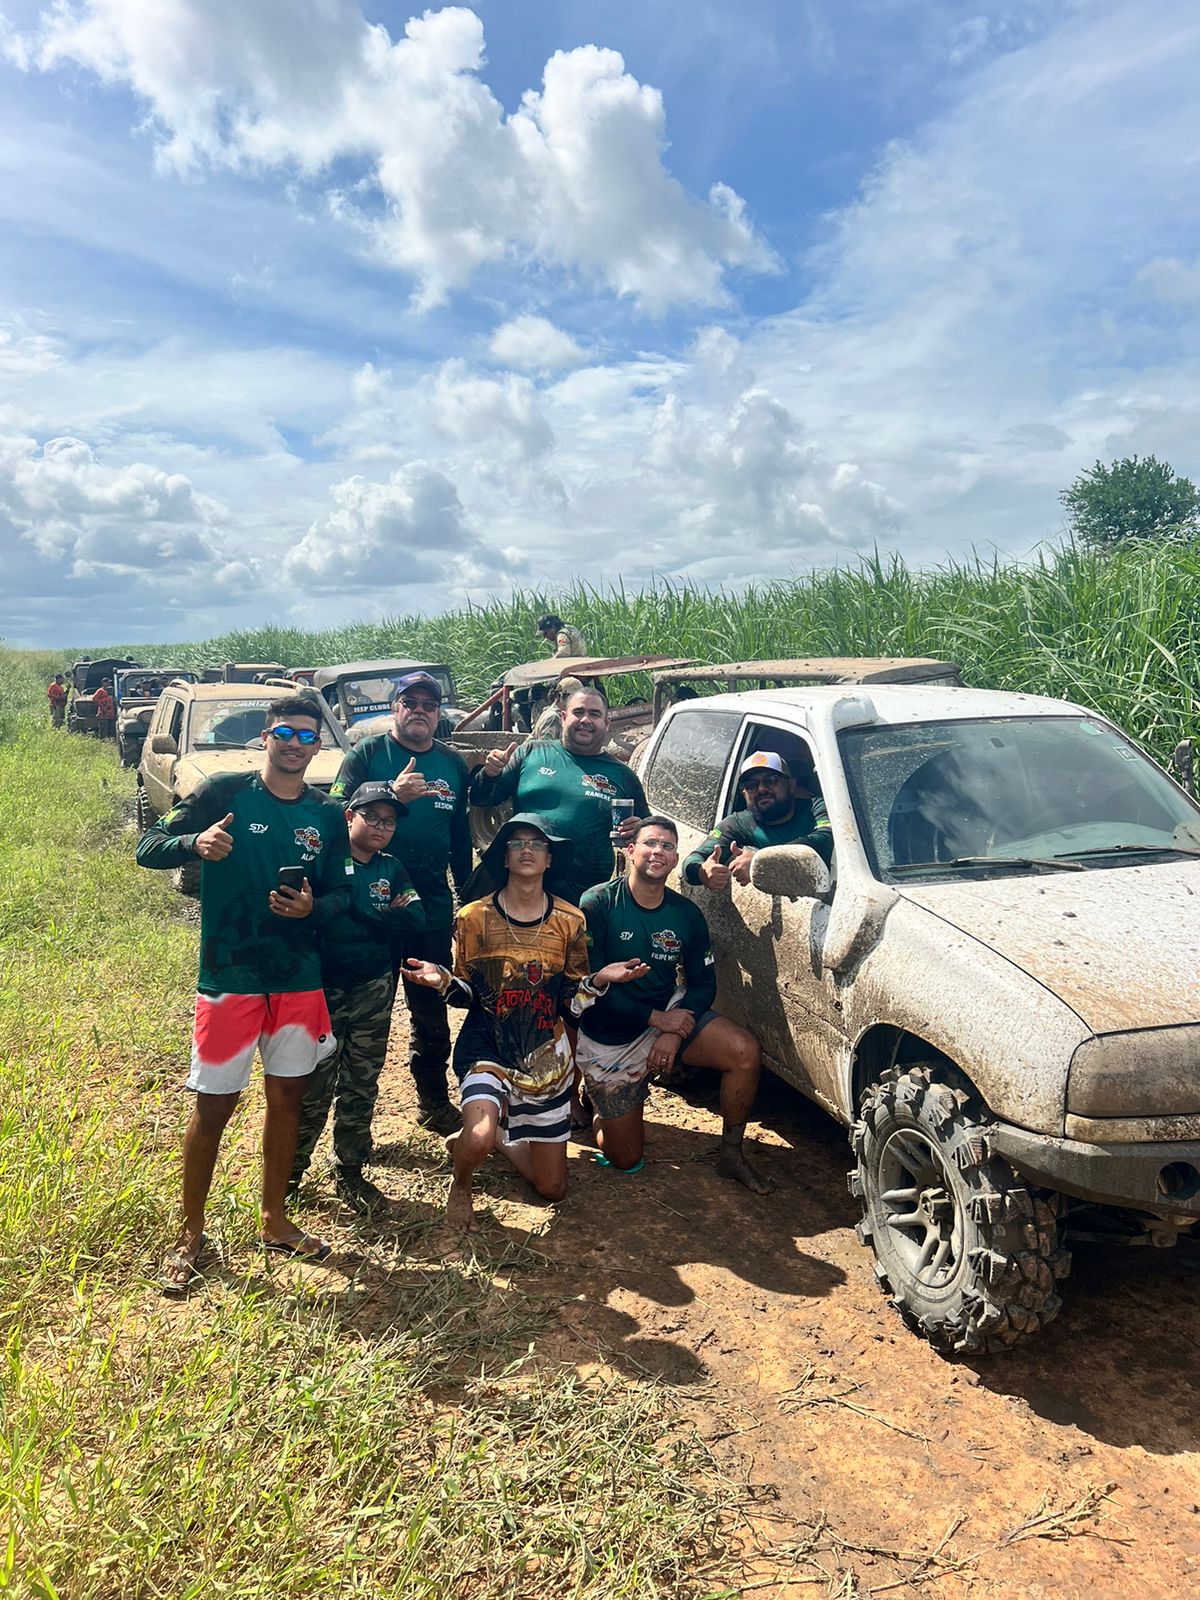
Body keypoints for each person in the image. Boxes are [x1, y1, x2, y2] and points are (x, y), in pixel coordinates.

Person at [135, 695, 353, 1293]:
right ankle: (190, 1234)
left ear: (318, 745)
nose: (294, 744)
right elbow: (147, 846)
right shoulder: (224, 793)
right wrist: (195, 844)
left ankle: (274, 1219)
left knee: (287, 1101)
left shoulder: (327, 814)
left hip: (298, 980)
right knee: (213, 1107)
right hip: (229, 977)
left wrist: (313, 908)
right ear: (265, 736)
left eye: (306, 736)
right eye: (285, 732)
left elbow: (343, 894)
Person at [403, 814, 647, 1233]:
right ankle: (462, 1183)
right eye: (516, 843)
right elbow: (469, 995)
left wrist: (599, 981)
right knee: (478, 1135)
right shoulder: (473, 918)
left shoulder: (570, 921)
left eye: (537, 844)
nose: (527, 850)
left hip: (545, 1058)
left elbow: (569, 1001)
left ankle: (502, 1138)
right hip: (487, 1047)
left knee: (552, 1188)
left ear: (550, 859)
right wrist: (441, 980)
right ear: (504, 857)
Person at [577, 815, 772, 1193]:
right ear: (630, 850)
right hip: (611, 1034)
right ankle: (602, 1107)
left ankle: (731, 1153)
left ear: (676, 858)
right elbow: (591, 990)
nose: (658, 852)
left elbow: (703, 984)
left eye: (667, 846)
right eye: (650, 843)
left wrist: (673, 1030)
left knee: (744, 1051)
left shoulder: (686, 914)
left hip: (666, 1015)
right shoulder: (598, 902)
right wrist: (657, 1020)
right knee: (626, 1158)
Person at [330, 670, 472, 1135]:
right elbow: (332, 811)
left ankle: (433, 1101)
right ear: (395, 708)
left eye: (429, 705)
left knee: (431, 1012)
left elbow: (459, 837)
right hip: (366, 908)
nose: (420, 711)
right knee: (360, 1017)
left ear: (438, 714)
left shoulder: (452, 763)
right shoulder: (367, 753)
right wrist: (391, 792)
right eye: (410, 703)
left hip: (428, 909)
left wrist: (466, 896)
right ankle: (350, 1122)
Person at [291, 782, 426, 1213]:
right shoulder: (326, 862)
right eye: (372, 817)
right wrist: (384, 915)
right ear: (349, 816)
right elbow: (320, 918)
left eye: (390, 821)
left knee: (361, 1081)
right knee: (314, 1086)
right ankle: (290, 1174)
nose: (382, 827)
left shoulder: (392, 868)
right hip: (322, 990)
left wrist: (359, 912)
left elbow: (417, 916)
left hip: (374, 988)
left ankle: (350, 1167)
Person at [469, 687, 647, 905]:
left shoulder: (623, 775)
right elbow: (482, 799)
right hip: (522, 881)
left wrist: (637, 829)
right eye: (578, 712)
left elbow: (646, 830)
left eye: (594, 714)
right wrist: (489, 774)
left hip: (582, 890)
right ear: (563, 717)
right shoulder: (531, 753)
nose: (585, 720)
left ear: (606, 723)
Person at [682, 752, 833, 890]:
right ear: (744, 794)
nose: (761, 789)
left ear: (791, 785)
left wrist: (760, 862)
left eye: (770, 780)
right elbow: (693, 860)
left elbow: (827, 838)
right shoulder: (738, 824)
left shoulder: (815, 808)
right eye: (751, 785)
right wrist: (702, 871)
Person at [531, 675, 584, 742]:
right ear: (560, 696)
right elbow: (547, 746)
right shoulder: (553, 717)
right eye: (573, 698)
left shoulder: (553, 713)